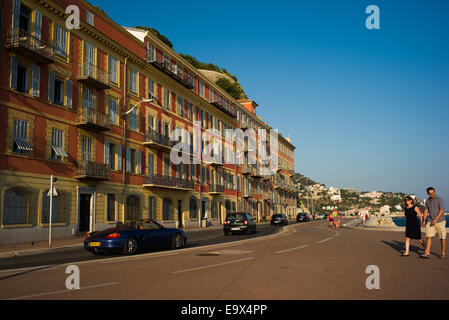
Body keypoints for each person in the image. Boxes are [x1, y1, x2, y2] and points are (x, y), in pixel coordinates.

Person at [421, 187, 446, 259]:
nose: (432, 194)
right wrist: (424, 220)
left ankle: (443, 252)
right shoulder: (427, 201)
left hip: (440, 221)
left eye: (433, 193)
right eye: (430, 193)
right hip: (430, 220)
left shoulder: (439, 199)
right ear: (428, 193)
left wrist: (435, 219)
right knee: (428, 236)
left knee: (442, 237)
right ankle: (427, 253)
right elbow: (426, 210)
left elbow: (441, 210)